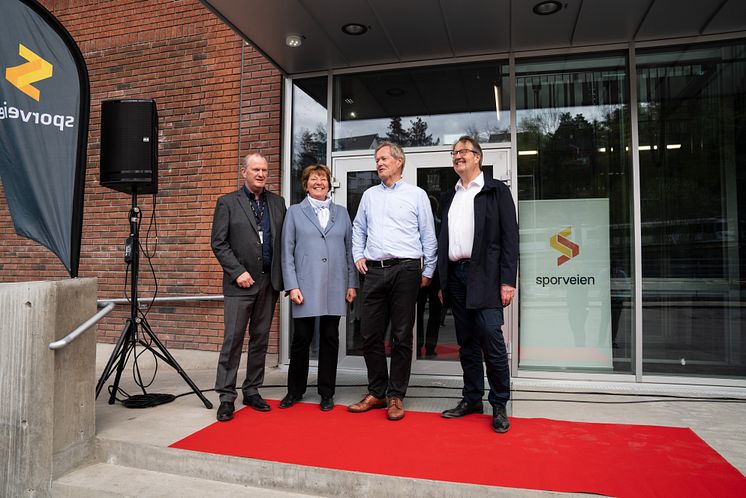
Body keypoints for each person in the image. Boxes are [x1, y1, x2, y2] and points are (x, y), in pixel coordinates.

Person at [348, 141, 437, 421]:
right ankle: (376, 391)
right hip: (374, 270)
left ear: (399, 162)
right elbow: (358, 228)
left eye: (384, 158)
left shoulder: (417, 195)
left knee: (401, 336)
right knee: (369, 334)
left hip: (406, 270)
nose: (379, 163)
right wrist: (357, 255)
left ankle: (395, 395)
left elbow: (428, 235)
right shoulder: (369, 195)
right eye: (377, 159)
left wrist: (428, 270)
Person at [438, 136, 518, 433]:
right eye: (454, 152)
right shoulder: (451, 196)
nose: (458, 156)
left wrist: (507, 281)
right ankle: (472, 398)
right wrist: (444, 281)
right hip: (456, 276)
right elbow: (445, 240)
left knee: (491, 339)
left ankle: (499, 404)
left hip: (485, 275)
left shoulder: (496, 191)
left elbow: (510, 239)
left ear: (477, 157)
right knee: (467, 343)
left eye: (463, 152)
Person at [211, 152, 286, 422]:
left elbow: (283, 242)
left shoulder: (278, 203)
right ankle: (226, 396)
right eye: (255, 169)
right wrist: (237, 271)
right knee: (232, 341)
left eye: (264, 170)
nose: (261, 174)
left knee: (260, 340)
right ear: (243, 171)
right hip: (240, 283)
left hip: (268, 284)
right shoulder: (227, 203)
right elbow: (219, 243)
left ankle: (252, 389)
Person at [280, 164, 358, 411]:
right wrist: (292, 286)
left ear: (329, 183)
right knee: (301, 339)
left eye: (323, 179)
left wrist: (352, 283)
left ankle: (327, 392)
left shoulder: (342, 213)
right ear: (305, 184)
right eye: (313, 179)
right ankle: (295, 391)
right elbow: (287, 252)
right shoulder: (294, 212)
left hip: (335, 286)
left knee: (330, 338)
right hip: (304, 286)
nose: (318, 182)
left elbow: (350, 251)